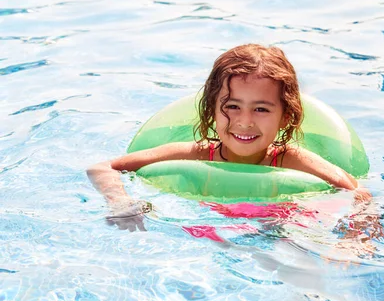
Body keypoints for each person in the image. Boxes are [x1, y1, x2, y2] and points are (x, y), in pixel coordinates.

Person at [87, 44, 369, 232]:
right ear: (211, 109)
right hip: (209, 227)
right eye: (232, 106)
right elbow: (101, 168)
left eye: (261, 109)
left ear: (286, 116)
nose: (244, 122)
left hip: (278, 227)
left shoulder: (292, 159)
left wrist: (355, 239)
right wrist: (120, 202)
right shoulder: (196, 152)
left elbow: (359, 193)